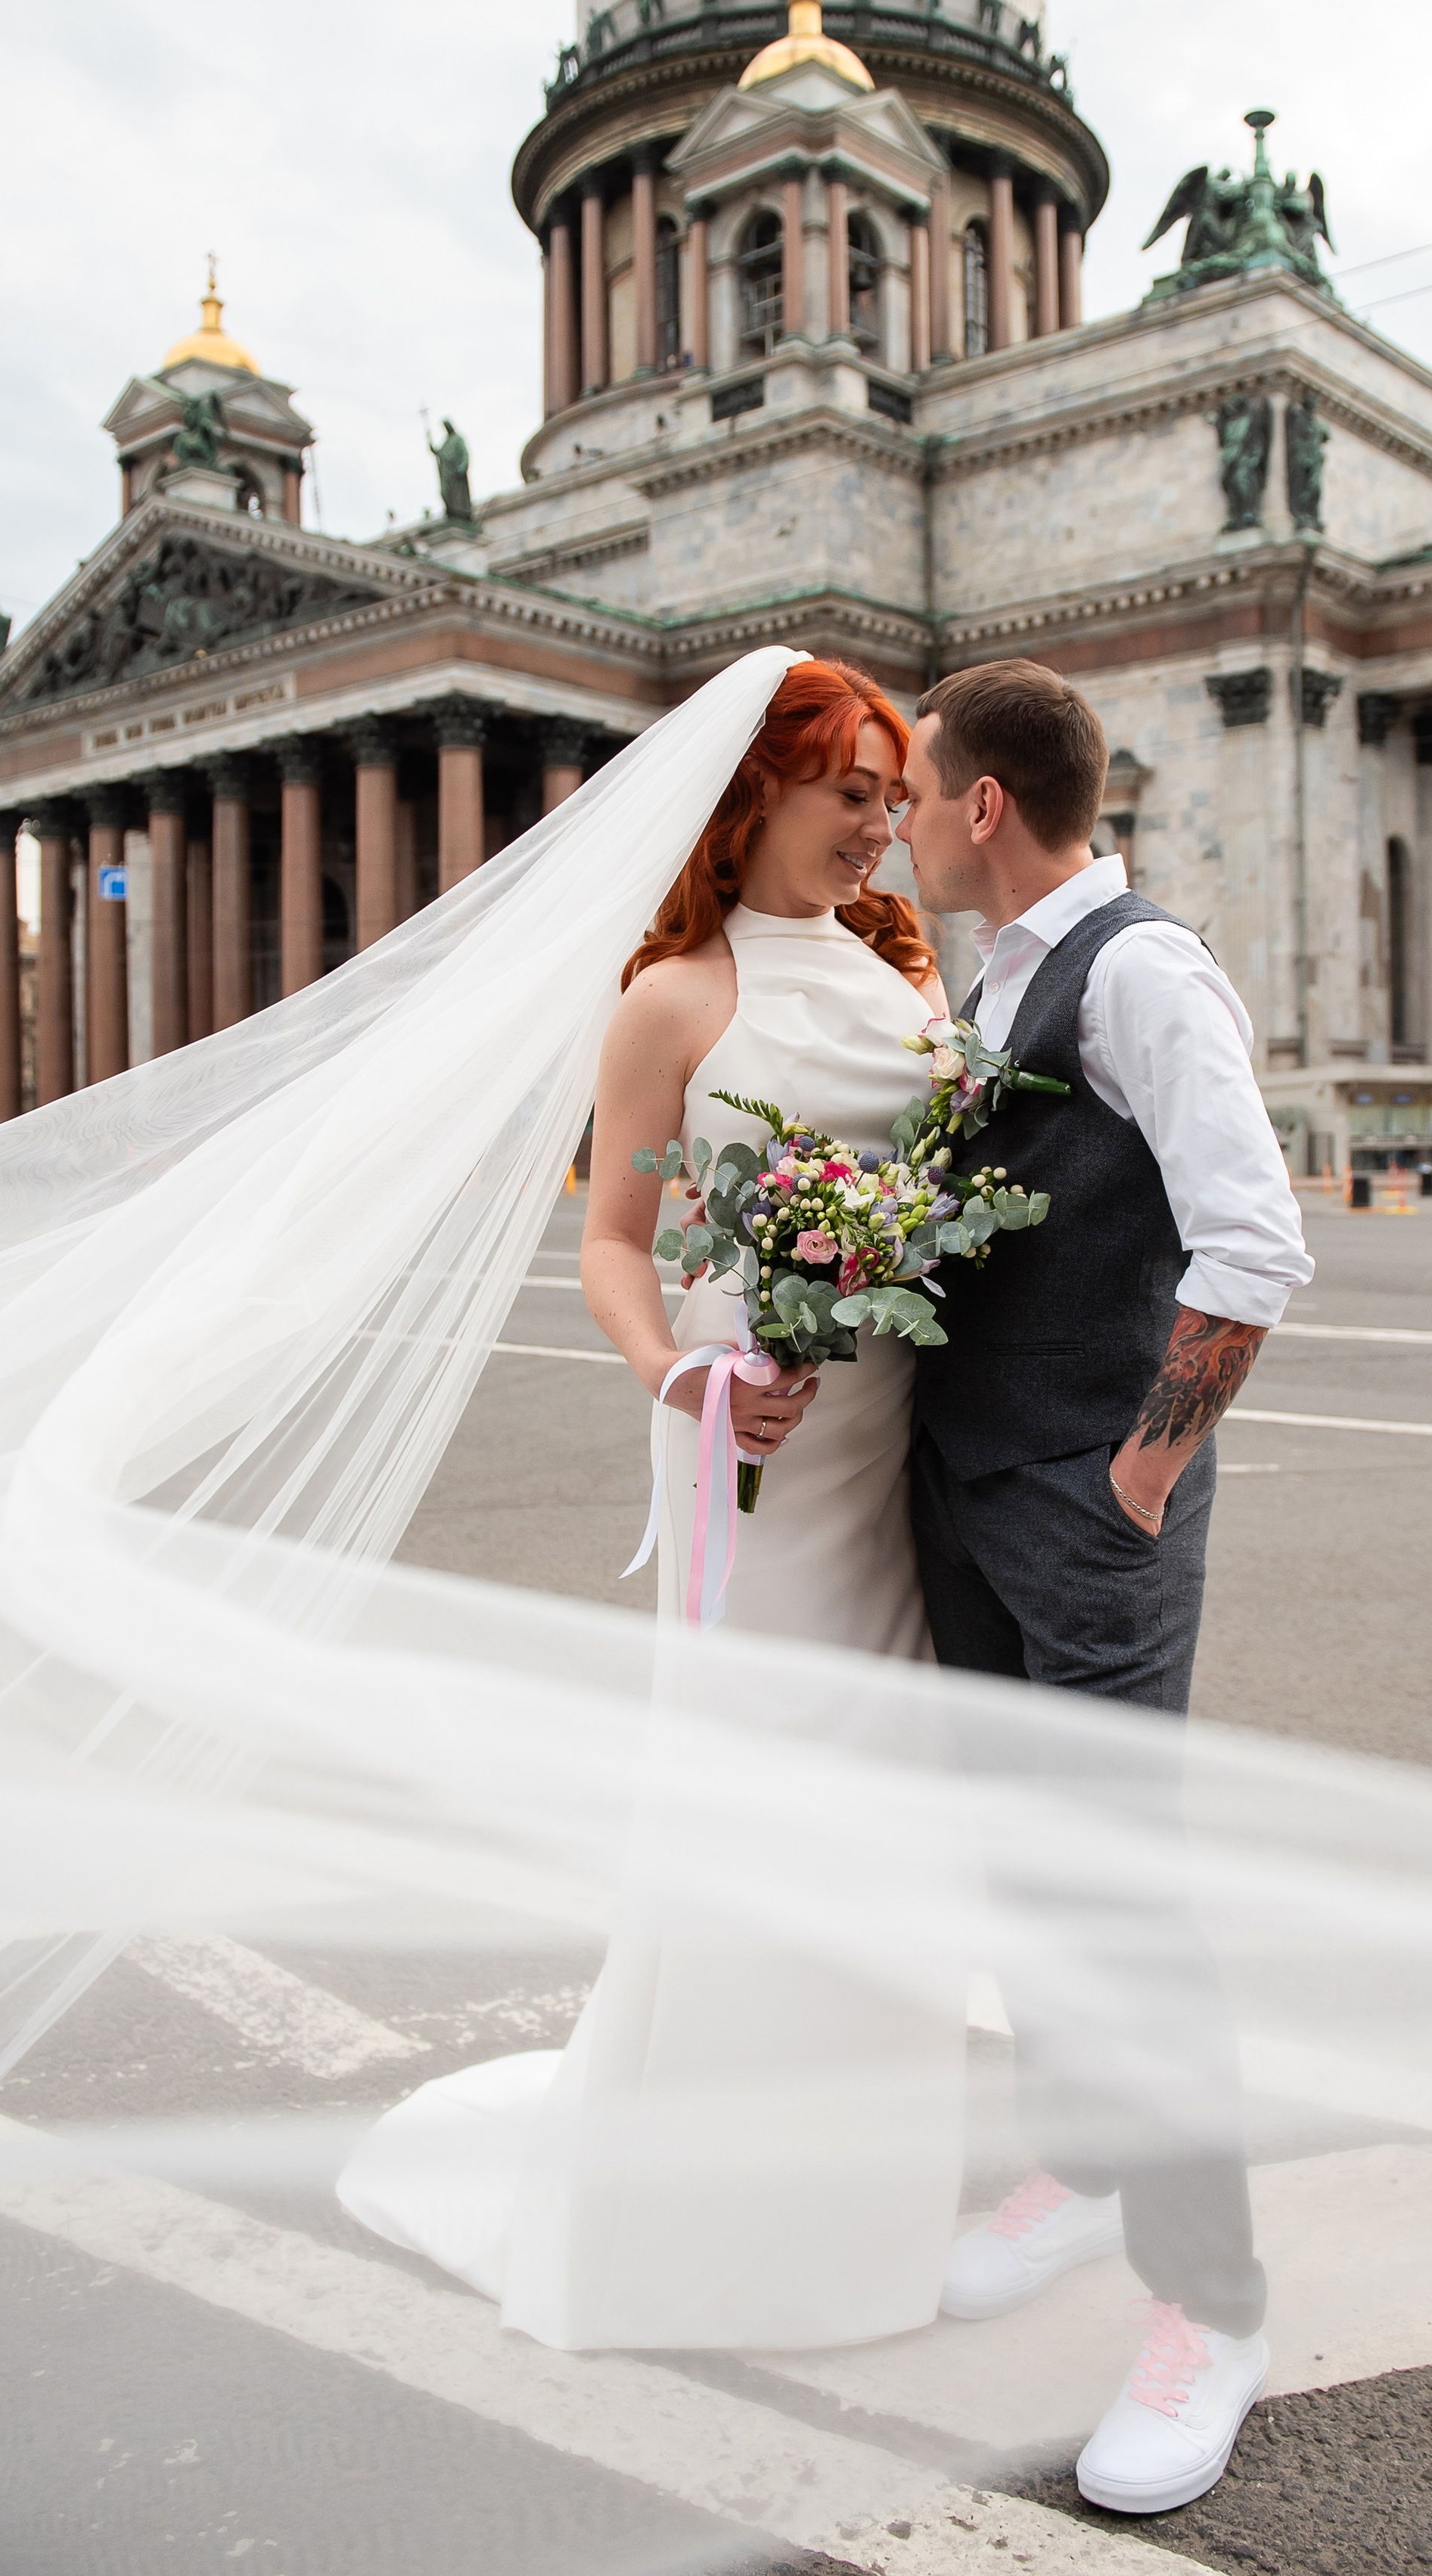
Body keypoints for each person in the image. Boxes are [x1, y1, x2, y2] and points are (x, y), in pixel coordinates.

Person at [340, 657, 973, 2350]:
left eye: (888, 796)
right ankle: (707, 2200)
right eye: (847, 788)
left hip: (887, 1439)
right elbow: (610, 1247)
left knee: (887, 1808)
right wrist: (682, 1378)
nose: (875, 826)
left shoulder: (909, 988)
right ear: (751, 792)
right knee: (761, 1792)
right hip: (742, 1442)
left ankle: (865, 2195)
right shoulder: (674, 999)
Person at [896, 660, 1312, 2515]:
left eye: (915, 791)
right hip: (969, 1488)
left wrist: (1142, 1466)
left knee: (1124, 1900)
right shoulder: (988, 979)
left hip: (1083, 1500)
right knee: (1026, 1860)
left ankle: (1208, 2305)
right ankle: (1074, 2160)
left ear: (984, 804)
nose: (901, 820)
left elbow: (1253, 1238)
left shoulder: (1137, 969)